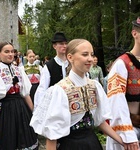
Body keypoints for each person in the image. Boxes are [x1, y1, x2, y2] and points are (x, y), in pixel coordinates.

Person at [30, 39, 125, 150]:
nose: (90, 58)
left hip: (92, 143)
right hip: (71, 145)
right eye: (85, 54)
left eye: (91, 54)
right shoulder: (60, 90)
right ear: (70, 57)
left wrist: (124, 142)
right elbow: (52, 136)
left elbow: (100, 122)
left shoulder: (94, 86)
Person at [0, 42, 38, 149]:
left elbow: (25, 94)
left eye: (12, 51)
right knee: (6, 140)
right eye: (6, 52)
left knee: (24, 140)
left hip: (21, 109)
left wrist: (34, 113)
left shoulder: (19, 70)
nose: (10, 54)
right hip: (4, 110)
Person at [106, 17, 140, 150]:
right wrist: (128, 135)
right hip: (127, 131)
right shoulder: (122, 64)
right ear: (134, 33)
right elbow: (116, 101)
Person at [34, 32, 68, 109]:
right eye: (61, 44)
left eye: (66, 43)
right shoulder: (49, 66)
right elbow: (42, 88)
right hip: (56, 105)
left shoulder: (72, 64)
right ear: (54, 46)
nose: (64, 46)